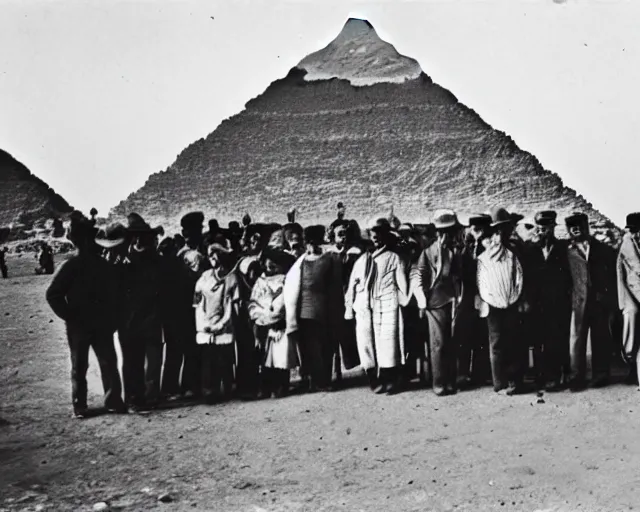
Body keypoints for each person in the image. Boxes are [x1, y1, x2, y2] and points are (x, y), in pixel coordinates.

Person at [45, 212, 126, 418]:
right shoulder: (77, 266)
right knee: (93, 364)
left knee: (90, 365)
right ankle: (106, 402)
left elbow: (115, 296)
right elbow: (53, 294)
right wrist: (70, 316)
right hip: (88, 324)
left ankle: (84, 405)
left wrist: (70, 316)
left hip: (89, 324)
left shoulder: (85, 265)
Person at [345, 218, 409, 395]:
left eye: (379, 235)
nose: (376, 238)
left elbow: (403, 285)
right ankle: (373, 378)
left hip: (387, 303)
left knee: (387, 341)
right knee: (365, 342)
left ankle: (389, 379)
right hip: (365, 307)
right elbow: (351, 286)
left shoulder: (394, 258)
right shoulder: (361, 261)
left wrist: (403, 301)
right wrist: (350, 307)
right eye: (373, 235)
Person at [284, 225, 344, 392]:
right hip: (318, 309)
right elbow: (335, 287)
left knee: (314, 347)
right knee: (320, 347)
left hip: (309, 310)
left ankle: (317, 380)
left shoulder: (304, 261)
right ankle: (320, 380)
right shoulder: (328, 259)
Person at [476, 207, 529, 396]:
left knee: (514, 341)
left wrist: (520, 299)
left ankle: (515, 381)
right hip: (492, 303)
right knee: (497, 342)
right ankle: (499, 382)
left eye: (505, 228)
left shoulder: (516, 249)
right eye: (498, 229)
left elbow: (522, 277)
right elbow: (482, 277)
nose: (502, 232)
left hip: (513, 302)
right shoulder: (486, 251)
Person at [412, 209, 464, 396]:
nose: (448, 236)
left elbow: (458, 277)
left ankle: (450, 382)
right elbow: (418, 278)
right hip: (435, 304)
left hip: (452, 302)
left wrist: (459, 298)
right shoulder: (427, 253)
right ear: (438, 233)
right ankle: (439, 383)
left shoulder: (454, 252)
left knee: (450, 343)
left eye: (450, 232)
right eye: (444, 232)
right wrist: (422, 302)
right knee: (438, 344)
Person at [565, 212, 617, 390]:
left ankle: (600, 375)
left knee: (600, 337)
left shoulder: (602, 248)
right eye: (573, 228)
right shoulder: (565, 251)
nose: (576, 230)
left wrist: (605, 293)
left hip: (598, 301)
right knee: (577, 340)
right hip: (577, 302)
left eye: (579, 226)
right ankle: (576, 378)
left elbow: (610, 274)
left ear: (586, 227)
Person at [119, 217, 166, 411]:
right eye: (135, 237)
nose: (138, 241)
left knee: (150, 361)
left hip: (146, 319)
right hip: (134, 321)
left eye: (142, 237)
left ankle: (145, 397)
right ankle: (136, 398)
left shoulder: (128, 262)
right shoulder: (124, 263)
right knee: (134, 362)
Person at [527, 211, 573, 391]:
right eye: (539, 228)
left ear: (553, 227)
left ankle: (556, 376)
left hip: (558, 301)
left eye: (546, 228)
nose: (542, 231)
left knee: (557, 338)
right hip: (537, 302)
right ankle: (541, 376)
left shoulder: (563, 247)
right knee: (538, 340)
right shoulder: (530, 249)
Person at [193, 237, 240, 404]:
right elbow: (198, 304)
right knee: (208, 361)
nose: (213, 259)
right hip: (206, 326)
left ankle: (227, 388)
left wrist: (221, 324)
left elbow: (230, 307)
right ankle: (209, 391)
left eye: (216, 255)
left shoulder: (231, 278)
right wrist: (204, 325)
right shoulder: (204, 278)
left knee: (225, 359)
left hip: (223, 327)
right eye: (210, 256)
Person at [249, 247, 298, 398]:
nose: (270, 268)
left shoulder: (286, 281)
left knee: (281, 357)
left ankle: (281, 386)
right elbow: (254, 301)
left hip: (280, 323)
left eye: (274, 266)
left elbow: (287, 302)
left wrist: (275, 315)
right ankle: (265, 387)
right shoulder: (260, 282)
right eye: (268, 265)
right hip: (262, 322)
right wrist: (260, 315)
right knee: (264, 358)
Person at [455, 214, 491, 389]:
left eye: (480, 229)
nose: (477, 232)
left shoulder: (489, 248)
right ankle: (462, 373)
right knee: (463, 334)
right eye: (474, 228)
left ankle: (480, 374)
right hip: (467, 297)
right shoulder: (465, 249)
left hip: (484, 297)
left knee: (482, 335)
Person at [618, 213, 640, 388]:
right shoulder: (626, 246)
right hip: (631, 294)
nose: (637, 234)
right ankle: (631, 366)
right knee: (631, 318)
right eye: (633, 231)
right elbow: (622, 277)